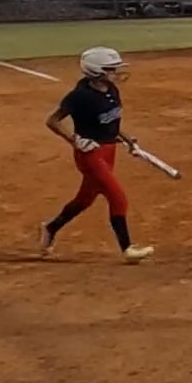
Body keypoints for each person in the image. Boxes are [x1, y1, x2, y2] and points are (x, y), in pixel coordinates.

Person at [38, 47, 155, 263]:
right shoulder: (80, 96)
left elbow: (111, 122)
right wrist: (75, 140)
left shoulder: (111, 90)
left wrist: (127, 138)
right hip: (90, 154)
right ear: (96, 71)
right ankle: (127, 249)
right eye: (111, 69)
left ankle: (51, 227)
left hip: (109, 151)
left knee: (85, 199)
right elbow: (52, 121)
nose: (116, 73)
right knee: (117, 197)